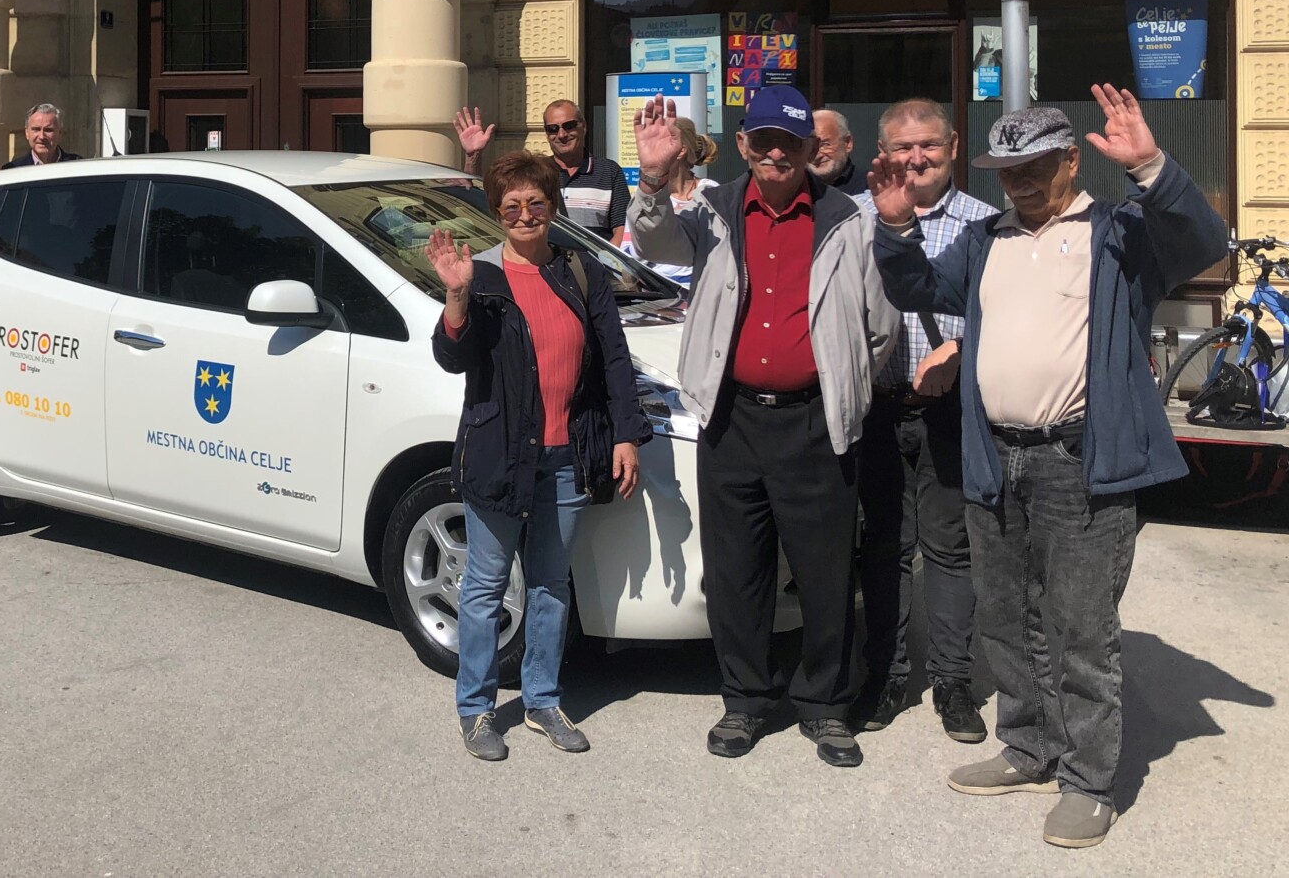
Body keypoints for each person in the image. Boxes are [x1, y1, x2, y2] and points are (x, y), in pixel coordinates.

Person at [868, 87, 1224, 849]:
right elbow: (918, 288)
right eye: (1007, 170)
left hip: (1078, 458)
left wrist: (1151, 168)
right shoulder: (986, 238)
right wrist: (896, 228)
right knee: (1004, 616)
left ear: (1070, 161)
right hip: (993, 455)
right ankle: (1029, 747)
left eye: (1035, 166)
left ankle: (1089, 781)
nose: (1021, 181)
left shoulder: (1119, 230)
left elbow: (1203, 240)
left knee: (1081, 629)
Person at [630, 86, 897, 769]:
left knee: (825, 573)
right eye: (765, 141)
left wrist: (838, 381)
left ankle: (825, 706)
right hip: (733, 419)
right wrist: (653, 177)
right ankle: (745, 699)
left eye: (790, 143)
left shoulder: (847, 218)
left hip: (814, 422)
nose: (777, 153)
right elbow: (655, 241)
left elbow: (878, 327)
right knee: (737, 571)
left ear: (809, 149)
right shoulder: (713, 209)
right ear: (745, 144)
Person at [427, 151, 649, 762]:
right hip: (500, 453)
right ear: (496, 213)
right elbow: (452, 357)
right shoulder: (482, 275)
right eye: (511, 207)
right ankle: (475, 709)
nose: (525, 215)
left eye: (536, 204)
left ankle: (542, 700)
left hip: (568, 455)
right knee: (485, 585)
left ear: (554, 206)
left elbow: (613, 358)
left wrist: (626, 435)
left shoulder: (580, 270)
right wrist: (456, 297)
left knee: (551, 583)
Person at [850, 99, 996, 742]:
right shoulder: (853, 218)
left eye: (928, 145)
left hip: (951, 410)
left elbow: (1008, 318)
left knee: (949, 550)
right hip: (876, 409)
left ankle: (953, 682)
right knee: (882, 547)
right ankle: (884, 673)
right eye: (902, 147)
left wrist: (960, 350)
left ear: (953, 146)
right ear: (881, 153)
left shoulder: (987, 225)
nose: (916, 158)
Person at [454, 99, 629, 243]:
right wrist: (473, 156)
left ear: (583, 126)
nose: (562, 134)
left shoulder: (609, 172)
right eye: (553, 129)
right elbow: (479, 196)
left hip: (595, 271)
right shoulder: (536, 171)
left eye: (569, 125)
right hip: (545, 267)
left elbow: (623, 229)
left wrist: (603, 266)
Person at [642, 116, 719, 285]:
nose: (649, 151)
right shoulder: (647, 197)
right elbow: (630, 254)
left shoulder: (711, 192)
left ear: (681, 150)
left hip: (702, 288)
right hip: (656, 291)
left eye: (657, 144)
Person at [3, 103, 82, 169]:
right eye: (36, 129)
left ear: (60, 133)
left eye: (48, 130)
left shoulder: (78, 166)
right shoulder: (13, 170)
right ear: (27, 133)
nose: (41, 137)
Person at [812, 109, 868, 196]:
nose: (817, 156)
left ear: (847, 143)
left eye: (825, 145)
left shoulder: (871, 187)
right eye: (811, 147)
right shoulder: (795, 187)